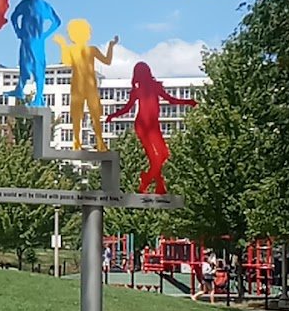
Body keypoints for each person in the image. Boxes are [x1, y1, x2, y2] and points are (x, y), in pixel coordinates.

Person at [106, 62, 198, 193]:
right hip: (143, 126)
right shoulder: (140, 90)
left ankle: (148, 180)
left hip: (152, 125)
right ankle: (157, 186)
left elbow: (170, 99)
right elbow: (127, 108)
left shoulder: (152, 88)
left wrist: (187, 102)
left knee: (163, 155)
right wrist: (113, 115)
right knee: (156, 157)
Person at [54, 20, 118, 151]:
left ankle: (96, 142)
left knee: (91, 114)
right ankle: (80, 142)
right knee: (81, 114)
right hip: (82, 85)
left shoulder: (90, 49)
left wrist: (111, 46)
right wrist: (62, 46)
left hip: (86, 86)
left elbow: (106, 61)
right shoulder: (83, 49)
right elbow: (67, 62)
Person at [9, 0, 61, 107]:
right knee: (23, 63)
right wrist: (18, 30)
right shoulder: (25, 4)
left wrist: (44, 35)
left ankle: (38, 97)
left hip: (37, 42)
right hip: (26, 40)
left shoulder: (44, 6)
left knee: (38, 66)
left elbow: (57, 21)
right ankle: (20, 89)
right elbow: (14, 17)